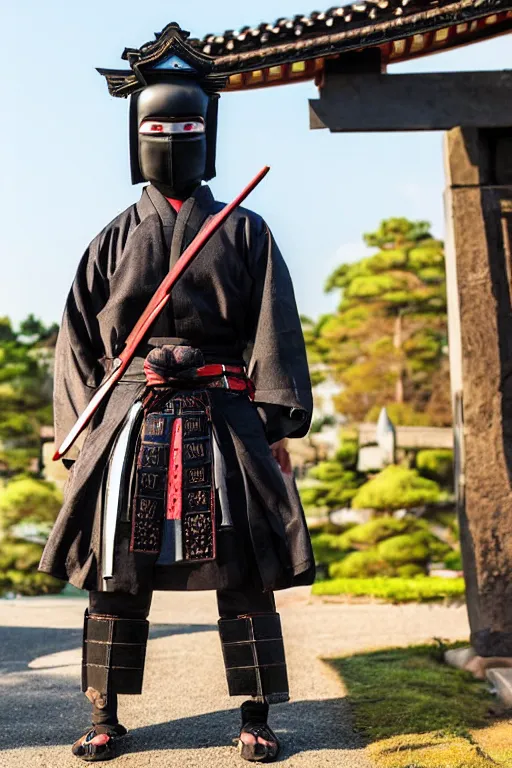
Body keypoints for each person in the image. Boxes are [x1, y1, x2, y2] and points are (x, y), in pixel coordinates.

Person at [39, 23, 314, 763]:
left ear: (207, 132)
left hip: (222, 415)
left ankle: (256, 714)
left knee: (248, 567)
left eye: (184, 124)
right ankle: (104, 713)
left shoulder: (247, 233)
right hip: (133, 419)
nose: (171, 136)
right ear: (137, 136)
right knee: (114, 572)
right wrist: (79, 432)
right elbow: (76, 343)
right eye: (157, 125)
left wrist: (274, 424)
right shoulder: (111, 239)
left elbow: (273, 332)